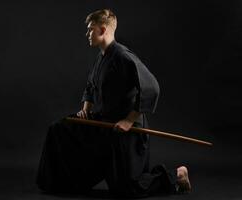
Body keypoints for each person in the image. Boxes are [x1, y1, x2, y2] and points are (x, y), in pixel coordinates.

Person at [36, 9, 191, 198]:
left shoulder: (123, 56)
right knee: (59, 129)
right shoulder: (102, 56)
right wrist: (86, 109)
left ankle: (177, 177)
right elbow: (91, 86)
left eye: (90, 30)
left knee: (127, 188)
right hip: (104, 124)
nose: (87, 34)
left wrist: (128, 120)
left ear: (102, 30)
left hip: (126, 131)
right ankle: (59, 183)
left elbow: (152, 88)